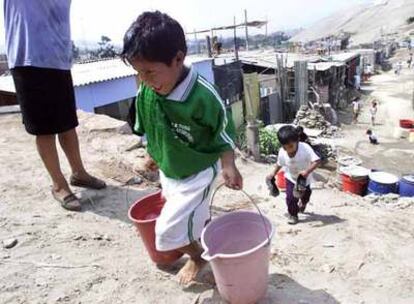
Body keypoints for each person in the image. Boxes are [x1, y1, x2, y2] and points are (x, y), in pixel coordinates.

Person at [121, 11, 243, 285]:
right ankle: (199, 233)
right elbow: (150, 124)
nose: (145, 80)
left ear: (178, 59)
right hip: (171, 168)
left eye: (150, 72)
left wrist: (228, 164)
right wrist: (153, 153)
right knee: (190, 216)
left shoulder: (201, 96)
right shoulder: (148, 91)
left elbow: (223, 132)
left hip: (198, 171)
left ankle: (198, 257)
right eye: (139, 73)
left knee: (165, 232)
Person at [4, 0, 106, 212]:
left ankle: (78, 173)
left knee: (67, 123)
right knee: (44, 129)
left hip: (58, 57)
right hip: (28, 57)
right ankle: (58, 184)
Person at [267, 126, 320, 225]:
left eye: (290, 146)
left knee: (305, 196)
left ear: (297, 140)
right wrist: (273, 174)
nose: (288, 150)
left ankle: (303, 203)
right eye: (285, 147)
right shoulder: (282, 152)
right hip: (290, 178)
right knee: (290, 198)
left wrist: (307, 172)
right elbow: (279, 163)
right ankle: (293, 215)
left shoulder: (305, 148)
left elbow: (316, 161)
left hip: (304, 180)